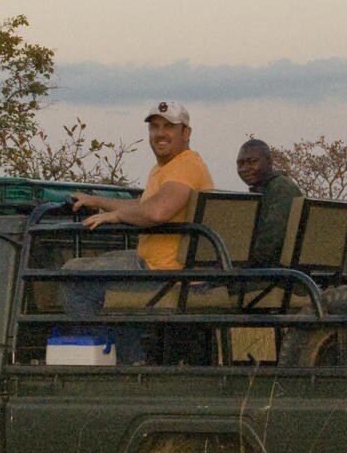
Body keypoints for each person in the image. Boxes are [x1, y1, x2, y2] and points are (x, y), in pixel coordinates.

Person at [58, 102, 215, 347]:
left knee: (75, 279)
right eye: (154, 127)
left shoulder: (186, 165)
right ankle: (127, 358)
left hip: (168, 275)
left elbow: (157, 212)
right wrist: (96, 201)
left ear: (186, 133)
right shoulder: (165, 168)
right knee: (79, 265)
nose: (160, 133)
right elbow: (142, 206)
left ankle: (97, 362)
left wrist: (116, 217)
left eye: (169, 127)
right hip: (157, 267)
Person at [236, 138, 304, 267]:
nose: (245, 168)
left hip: (276, 274)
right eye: (240, 164)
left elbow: (270, 242)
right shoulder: (262, 190)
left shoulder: (281, 188)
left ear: (269, 162)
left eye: (253, 162)